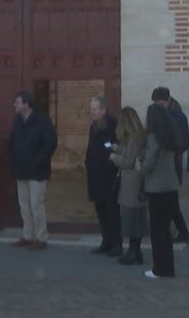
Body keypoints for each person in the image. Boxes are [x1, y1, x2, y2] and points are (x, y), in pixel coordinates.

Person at [8, 90, 57, 250]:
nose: (14, 105)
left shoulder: (42, 120)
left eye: (17, 102)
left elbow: (50, 142)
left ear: (26, 104)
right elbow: (12, 140)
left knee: (36, 205)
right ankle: (28, 235)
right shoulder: (18, 121)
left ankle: (41, 238)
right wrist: (13, 159)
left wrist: (39, 159)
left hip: (37, 171)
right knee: (24, 205)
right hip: (20, 170)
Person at [142, 95, 184, 279]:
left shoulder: (154, 137)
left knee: (157, 231)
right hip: (170, 186)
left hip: (156, 188)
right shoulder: (171, 136)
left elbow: (149, 163)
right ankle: (168, 268)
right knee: (166, 232)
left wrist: (140, 167)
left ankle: (160, 269)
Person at [152, 89, 189, 243]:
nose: (158, 107)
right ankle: (180, 232)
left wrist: (170, 151)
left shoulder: (178, 116)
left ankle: (176, 232)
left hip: (172, 164)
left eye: (160, 103)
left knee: (171, 201)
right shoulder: (156, 114)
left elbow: (184, 142)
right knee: (171, 202)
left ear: (168, 100)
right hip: (161, 165)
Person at [110, 106, 148, 266]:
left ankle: (133, 251)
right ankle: (135, 251)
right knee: (135, 217)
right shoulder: (136, 137)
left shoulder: (134, 138)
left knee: (131, 218)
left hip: (131, 183)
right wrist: (116, 148)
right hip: (134, 182)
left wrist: (113, 157)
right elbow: (128, 152)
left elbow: (128, 161)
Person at [85, 95, 122, 256]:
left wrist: (108, 166)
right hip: (95, 175)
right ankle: (106, 241)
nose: (92, 111)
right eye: (91, 108)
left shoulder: (111, 124)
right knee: (100, 210)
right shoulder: (94, 125)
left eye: (94, 109)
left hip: (107, 176)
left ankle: (116, 244)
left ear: (103, 109)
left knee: (111, 211)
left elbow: (112, 146)